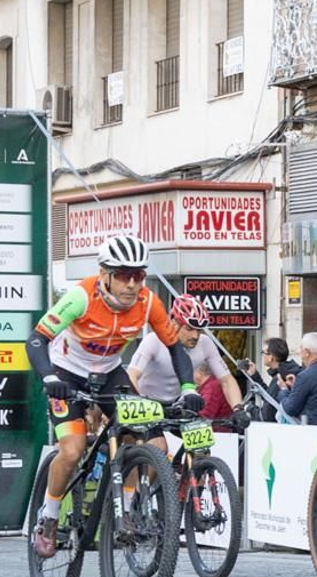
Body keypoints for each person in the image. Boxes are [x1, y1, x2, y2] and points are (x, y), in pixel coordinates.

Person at [26, 233, 199, 556]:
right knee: (74, 449)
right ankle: (48, 517)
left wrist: (189, 388)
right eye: (123, 275)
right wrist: (49, 376)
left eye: (139, 275)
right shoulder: (80, 296)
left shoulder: (148, 301)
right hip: (66, 374)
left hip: (109, 374)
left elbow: (175, 347)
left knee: (149, 441)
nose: (132, 284)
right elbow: (36, 340)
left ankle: (129, 508)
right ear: (105, 274)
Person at [128, 294, 244, 411]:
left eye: (199, 330)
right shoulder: (153, 340)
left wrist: (238, 409)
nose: (195, 336)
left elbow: (227, 380)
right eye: (189, 329)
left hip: (178, 404)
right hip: (148, 403)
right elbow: (132, 375)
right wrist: (136, 404)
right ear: (174, 323)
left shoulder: (205, 343)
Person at [280, 332, 317, 426]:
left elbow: (290, 408)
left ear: (307, 352)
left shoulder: (305, 376)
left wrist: (283, 390)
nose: (299, 353)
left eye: (301, 349)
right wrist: (296, 386)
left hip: (313, 430)